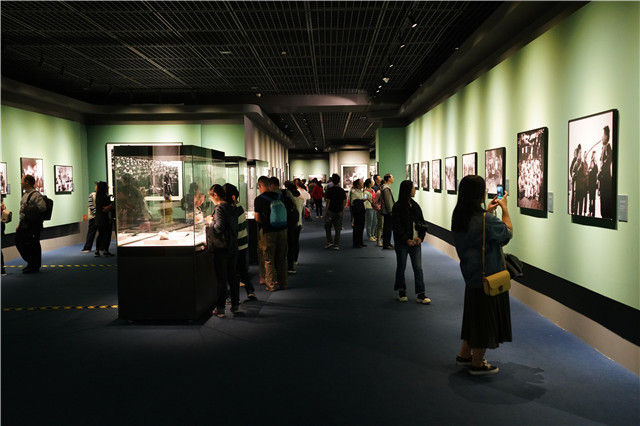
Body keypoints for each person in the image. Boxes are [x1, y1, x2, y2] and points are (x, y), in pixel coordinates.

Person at [451, 175, 513, 376]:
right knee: (484, 319)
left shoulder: (459, 216)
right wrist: (505, 209)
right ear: (478, 194)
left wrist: (488, 213)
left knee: (473, 316)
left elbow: (476, 233)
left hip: (471, 275)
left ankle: (464, 354)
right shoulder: (485, 220)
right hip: (488, 278)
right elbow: (507, 233)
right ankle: (477, 363)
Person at [392, 180, 431, 304]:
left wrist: (421, 237)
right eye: (413, 188)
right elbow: (397, 226)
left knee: (418, 268)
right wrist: (405, 239)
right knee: (401, 267)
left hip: (415, 242)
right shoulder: (397, 207)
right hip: (402, 243)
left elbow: (422, 223)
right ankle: (401, 291)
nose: (415, 190)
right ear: (407, 190)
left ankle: (421, 294)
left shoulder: (415, 206)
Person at [207, 184, 240, 317]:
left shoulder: (220, 208)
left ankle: (220, 308)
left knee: (221, 279)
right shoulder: (232, 207)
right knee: (232, 277)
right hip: (232, 246)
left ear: (215, 195)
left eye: (211, 197)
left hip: (221, 248)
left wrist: (210, 222)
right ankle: (235, 305)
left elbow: (219, 227)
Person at [223, 183, 256, 302]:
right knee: (242, 270)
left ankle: (233, 297)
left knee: (234, 272)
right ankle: (250, 291)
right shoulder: (239, 206)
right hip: (242, 242)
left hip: (237, 244)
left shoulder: (233, 209)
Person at [254, 176, 288, 291]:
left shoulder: (259, 199)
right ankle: (283, 283)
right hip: (282, 230)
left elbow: (257, 218)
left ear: (260, 185)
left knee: (268, 258)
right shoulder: (279, 196)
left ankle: (271, 284)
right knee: (282, 257)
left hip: (268, 232)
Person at [15, 175, 46, 273]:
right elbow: (22, 211)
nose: (21, 182)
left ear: (27, 182)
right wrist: (19, 224)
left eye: (22, 180)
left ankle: (34, 265)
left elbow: (42, 207)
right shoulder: (25, 195)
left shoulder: (36, 195)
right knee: (19, 241)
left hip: (33, 225)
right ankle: (31, 263)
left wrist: (30, 209)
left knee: (33, 244)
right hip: (24, 223)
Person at [284, 181, 304, 274]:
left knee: (290, 243)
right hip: (298, 222)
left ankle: (290, 263)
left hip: (291, 223)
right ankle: (295, 259)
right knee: (295, 242)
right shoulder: (300, 198)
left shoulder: (289, 198)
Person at [324, 174, 346, 250]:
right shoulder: (342, 190)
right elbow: (344, 201)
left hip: (330, 210)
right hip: (339, 210)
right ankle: (336, 244)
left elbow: (328, 201)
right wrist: (342, 210)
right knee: (338, 228)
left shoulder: (329, 190)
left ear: (332, 181)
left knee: (328, 227)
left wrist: (326, 211)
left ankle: (329, 242)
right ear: (339, 181)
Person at [94, 181, 114, 257]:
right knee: (107, 235)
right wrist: (111, 205)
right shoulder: (105, 197)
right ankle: (105, 250)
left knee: (101, 234)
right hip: (105, 218)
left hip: (99, 219)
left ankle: (97, 250)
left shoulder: (98, 197)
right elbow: (105, 209)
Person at [598, 126, 613, 218]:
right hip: (603, 182)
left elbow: (608, 161)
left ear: (606, 136)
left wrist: (600, 172)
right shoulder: (603, 148)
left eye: (603, 135)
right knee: (603, 207)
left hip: (606, 183)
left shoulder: (608, 147)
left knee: (606, 209)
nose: (601, 137)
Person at [349, 179, 366, 248]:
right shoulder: (355, 192)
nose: (363, 183)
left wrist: (364, 198)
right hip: (357, 212)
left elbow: (364, 198)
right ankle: (356, 243)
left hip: (362, 211)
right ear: (358, 185)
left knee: (361, 227)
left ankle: (360, 242)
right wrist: (361, 200)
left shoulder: (361, 191)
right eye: (361, 183)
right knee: (357, 228)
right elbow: (352, 203)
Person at [380, 174, 395, 249]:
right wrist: (390, 211)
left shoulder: (386, 187)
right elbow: (388, 201)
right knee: (387, 228)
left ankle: (387, 243)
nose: (393, 178)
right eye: (392, 177)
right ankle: (386, 244)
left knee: (388, 228)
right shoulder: (386, 188)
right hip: (388, 212)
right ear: (389, 178)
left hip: (387, 211)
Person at [81, 185, 97, 253]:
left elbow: (91, 206)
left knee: (91, 233)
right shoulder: (93, 195)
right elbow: (91, 206)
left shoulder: (92, 195)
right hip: (95, 217)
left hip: (94, 216)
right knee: (92, 233)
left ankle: (87, 248)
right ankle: (88, 247)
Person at [587, 151, 599, 217]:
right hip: (591, 182)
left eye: (595, 155)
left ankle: (593, 210)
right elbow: (589, 171)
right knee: (590, 198)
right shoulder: (591, 162)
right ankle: (590, 210)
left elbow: (597, 171)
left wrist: (595, 164)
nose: (594, 156)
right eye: (594, 155)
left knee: (593, 198)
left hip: (594, 183)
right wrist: (590, 170)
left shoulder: (595, 163)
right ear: (592, 155)